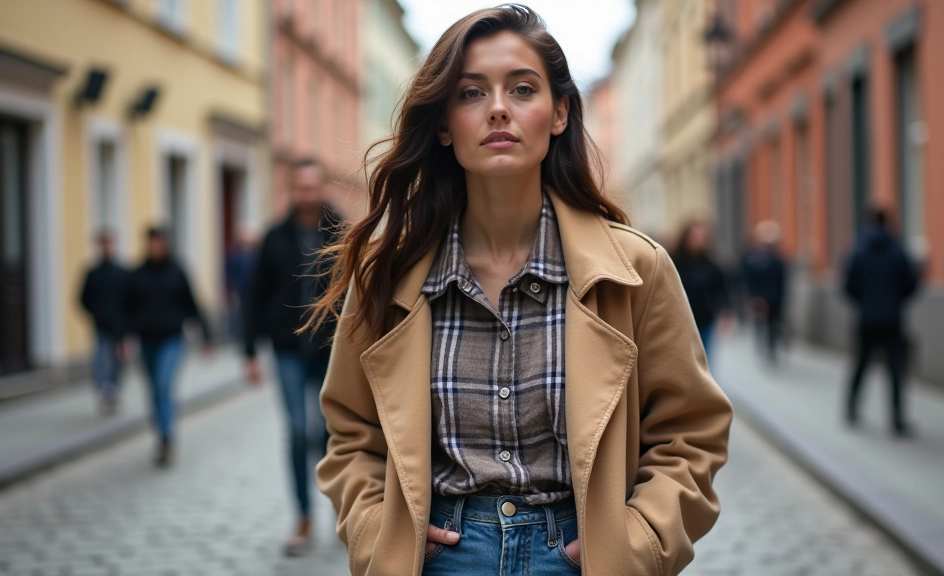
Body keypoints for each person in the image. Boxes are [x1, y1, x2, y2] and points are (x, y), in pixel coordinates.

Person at [304, 6, 733, 575]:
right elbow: (350, 434)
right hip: (438, 559)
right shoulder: (389, 272)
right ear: (443, 125)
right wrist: (378, 533)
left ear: (558, 113)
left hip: (584, 558)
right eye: (471, 93)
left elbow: (691, 432)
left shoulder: (634, 270)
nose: (498, 108)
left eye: (523, 88)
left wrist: (637, 543)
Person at [244, 157, 341, 556]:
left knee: (330, 432)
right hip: (286, 349)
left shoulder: (342, 231)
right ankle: (302, 517)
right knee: (298, 431)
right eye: (301, 186)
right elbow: (255, 294)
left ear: (323, 187)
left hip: (331, 349)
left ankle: (341, 509)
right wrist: (249, 350)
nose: (307, 193)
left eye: (313, 186)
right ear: (293, 189)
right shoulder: (275, 237)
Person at [124, 227, 211, 466]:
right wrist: (123, 337)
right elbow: (126, 308)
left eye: (159, 242)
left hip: (171, 339)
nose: (155, 247)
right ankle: (161, 430)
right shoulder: (137, 275)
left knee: (163, 385)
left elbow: (193, 304)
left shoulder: (177, 272)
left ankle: (165, 437)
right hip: (146, 340)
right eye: (152, 242)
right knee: (154, 390)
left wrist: (206, 336)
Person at [842, 207, 919, 437]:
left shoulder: (858, 251)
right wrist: (895, 301)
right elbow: (911, 283)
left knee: (861, 364)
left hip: (866, 318)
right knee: (895, 369)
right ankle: (896, 418)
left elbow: (848, 286)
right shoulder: (897, 251)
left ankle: (852, 409)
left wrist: (864, 303)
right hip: (892, 318)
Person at [79, 231, 128, 415]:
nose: (107, 248)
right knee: (100, 359)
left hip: (119, 325)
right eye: (104, 244)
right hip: (101, 325)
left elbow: (130, 299)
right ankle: (104, 390)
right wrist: (95, 313)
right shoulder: (93, 273)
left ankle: (114, 389)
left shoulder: (122, 273)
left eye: (109, 244)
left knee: (118, 360)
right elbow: (83, 298)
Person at [670, 220, 731, 363]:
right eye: (695, 236)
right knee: (683, 359)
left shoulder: (712, 265)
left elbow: (722, 290)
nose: (699, 241)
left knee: (704, 357)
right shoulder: (674, 262)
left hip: (705, 318)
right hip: (680, 319)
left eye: (703, 237)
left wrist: (726, 314)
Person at [742, 221, 787, 364]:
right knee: (759, 323)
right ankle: (762, 347)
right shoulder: (751, 258)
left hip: (774, 298)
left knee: (772, 325)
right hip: (758, 297)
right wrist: (752, 297)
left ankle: (771, 348)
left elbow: (782, 281)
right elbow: (746, 278)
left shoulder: (777, 259)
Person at [224, 225, 259, 343]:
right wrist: (234, 286)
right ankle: (240, 336)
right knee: (240, 314)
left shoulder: (256, 254)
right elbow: (230, 271)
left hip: (254, 290)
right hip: (241, 289)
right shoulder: (235, 254)